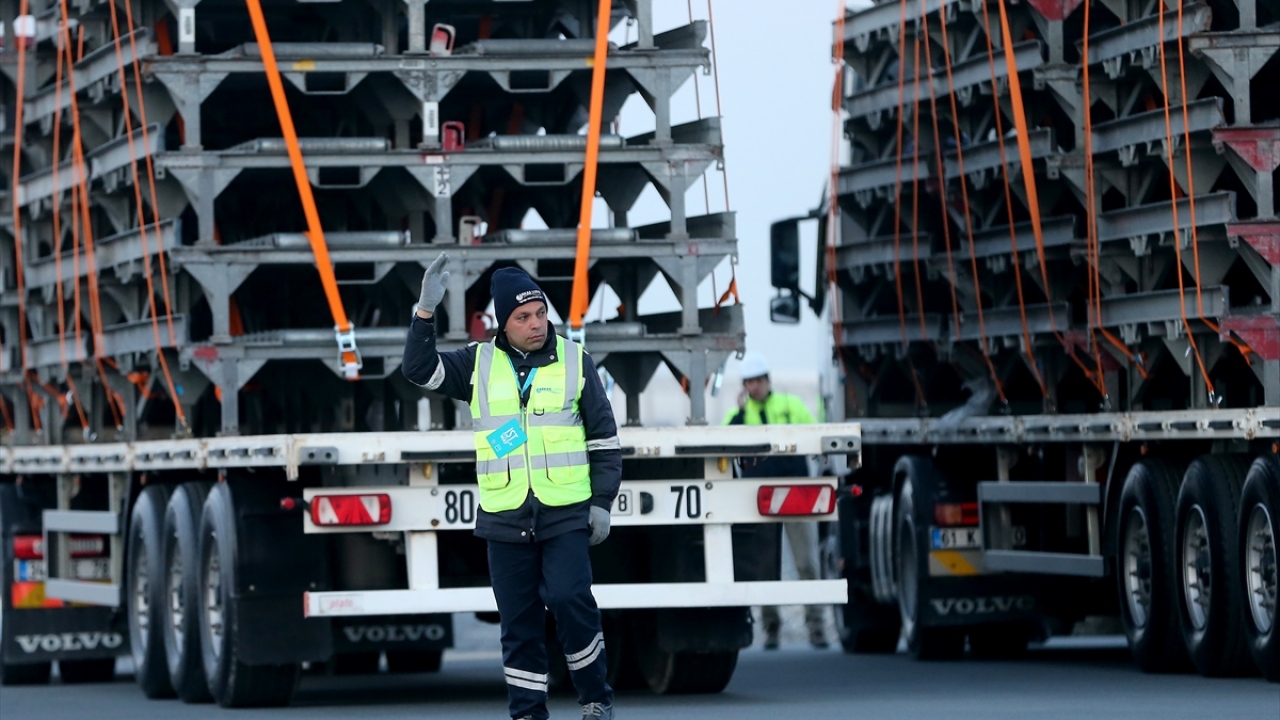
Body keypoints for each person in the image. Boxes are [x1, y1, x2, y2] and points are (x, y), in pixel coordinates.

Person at [402, 254, 621, 720]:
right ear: (504, 323)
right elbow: (418, 370)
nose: (536, 324)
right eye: (523, 317)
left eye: (540, 313)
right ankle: (527, 713)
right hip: (504, 519)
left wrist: (602, 502)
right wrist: (425, 312)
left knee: (568, 599)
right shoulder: (477, 363)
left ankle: (595, 697)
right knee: (518, 625)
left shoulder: (575, 362)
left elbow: (604, 439)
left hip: (564, 513)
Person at [724, 352, 828, 650]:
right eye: (749, 382)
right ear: (744, 386)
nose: (755, 386)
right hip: (760, 497)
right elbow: (725, 438)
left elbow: (814, 432)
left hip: (796, 493)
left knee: (807, 562)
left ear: (768, 380)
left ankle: (816, 626)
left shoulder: (790, 405)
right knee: (765, 567)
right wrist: (741, 413)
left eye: (758, 380)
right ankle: (771, 628)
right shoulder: (741, 416)